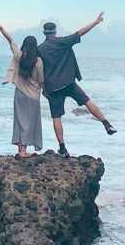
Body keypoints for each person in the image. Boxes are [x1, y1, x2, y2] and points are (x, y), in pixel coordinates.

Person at [37, 12, 116, 157]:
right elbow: (81, 32)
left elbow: (38, 69)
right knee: (87, 101)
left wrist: (42, 88)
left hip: (53, 88)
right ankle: (107, 124)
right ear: (55, 31)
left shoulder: (40, 49)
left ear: (44, 33)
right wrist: (96, 22)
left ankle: (63, 149)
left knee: (56, 118)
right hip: (69, 83)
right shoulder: (63, 42)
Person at [0, 18, 44, 157]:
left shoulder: (19, 56)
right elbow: (41, 79)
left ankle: (20, 149)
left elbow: (10, 40)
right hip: (33, 96)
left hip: (19, 93)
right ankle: (24, 151)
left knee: (20, 121)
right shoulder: (38, 61)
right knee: (29, 122)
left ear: (25, 45)